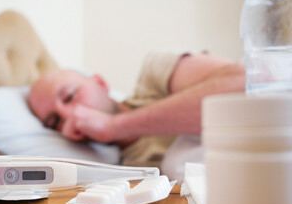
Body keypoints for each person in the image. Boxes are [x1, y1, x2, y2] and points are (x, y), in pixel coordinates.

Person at [29, 52, 245, 167]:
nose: (69, 116)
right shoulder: (129, 173)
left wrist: (113, 126)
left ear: (100, 83)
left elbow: (248, 84)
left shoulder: (153, 75)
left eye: (69, 96)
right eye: (54, 122)